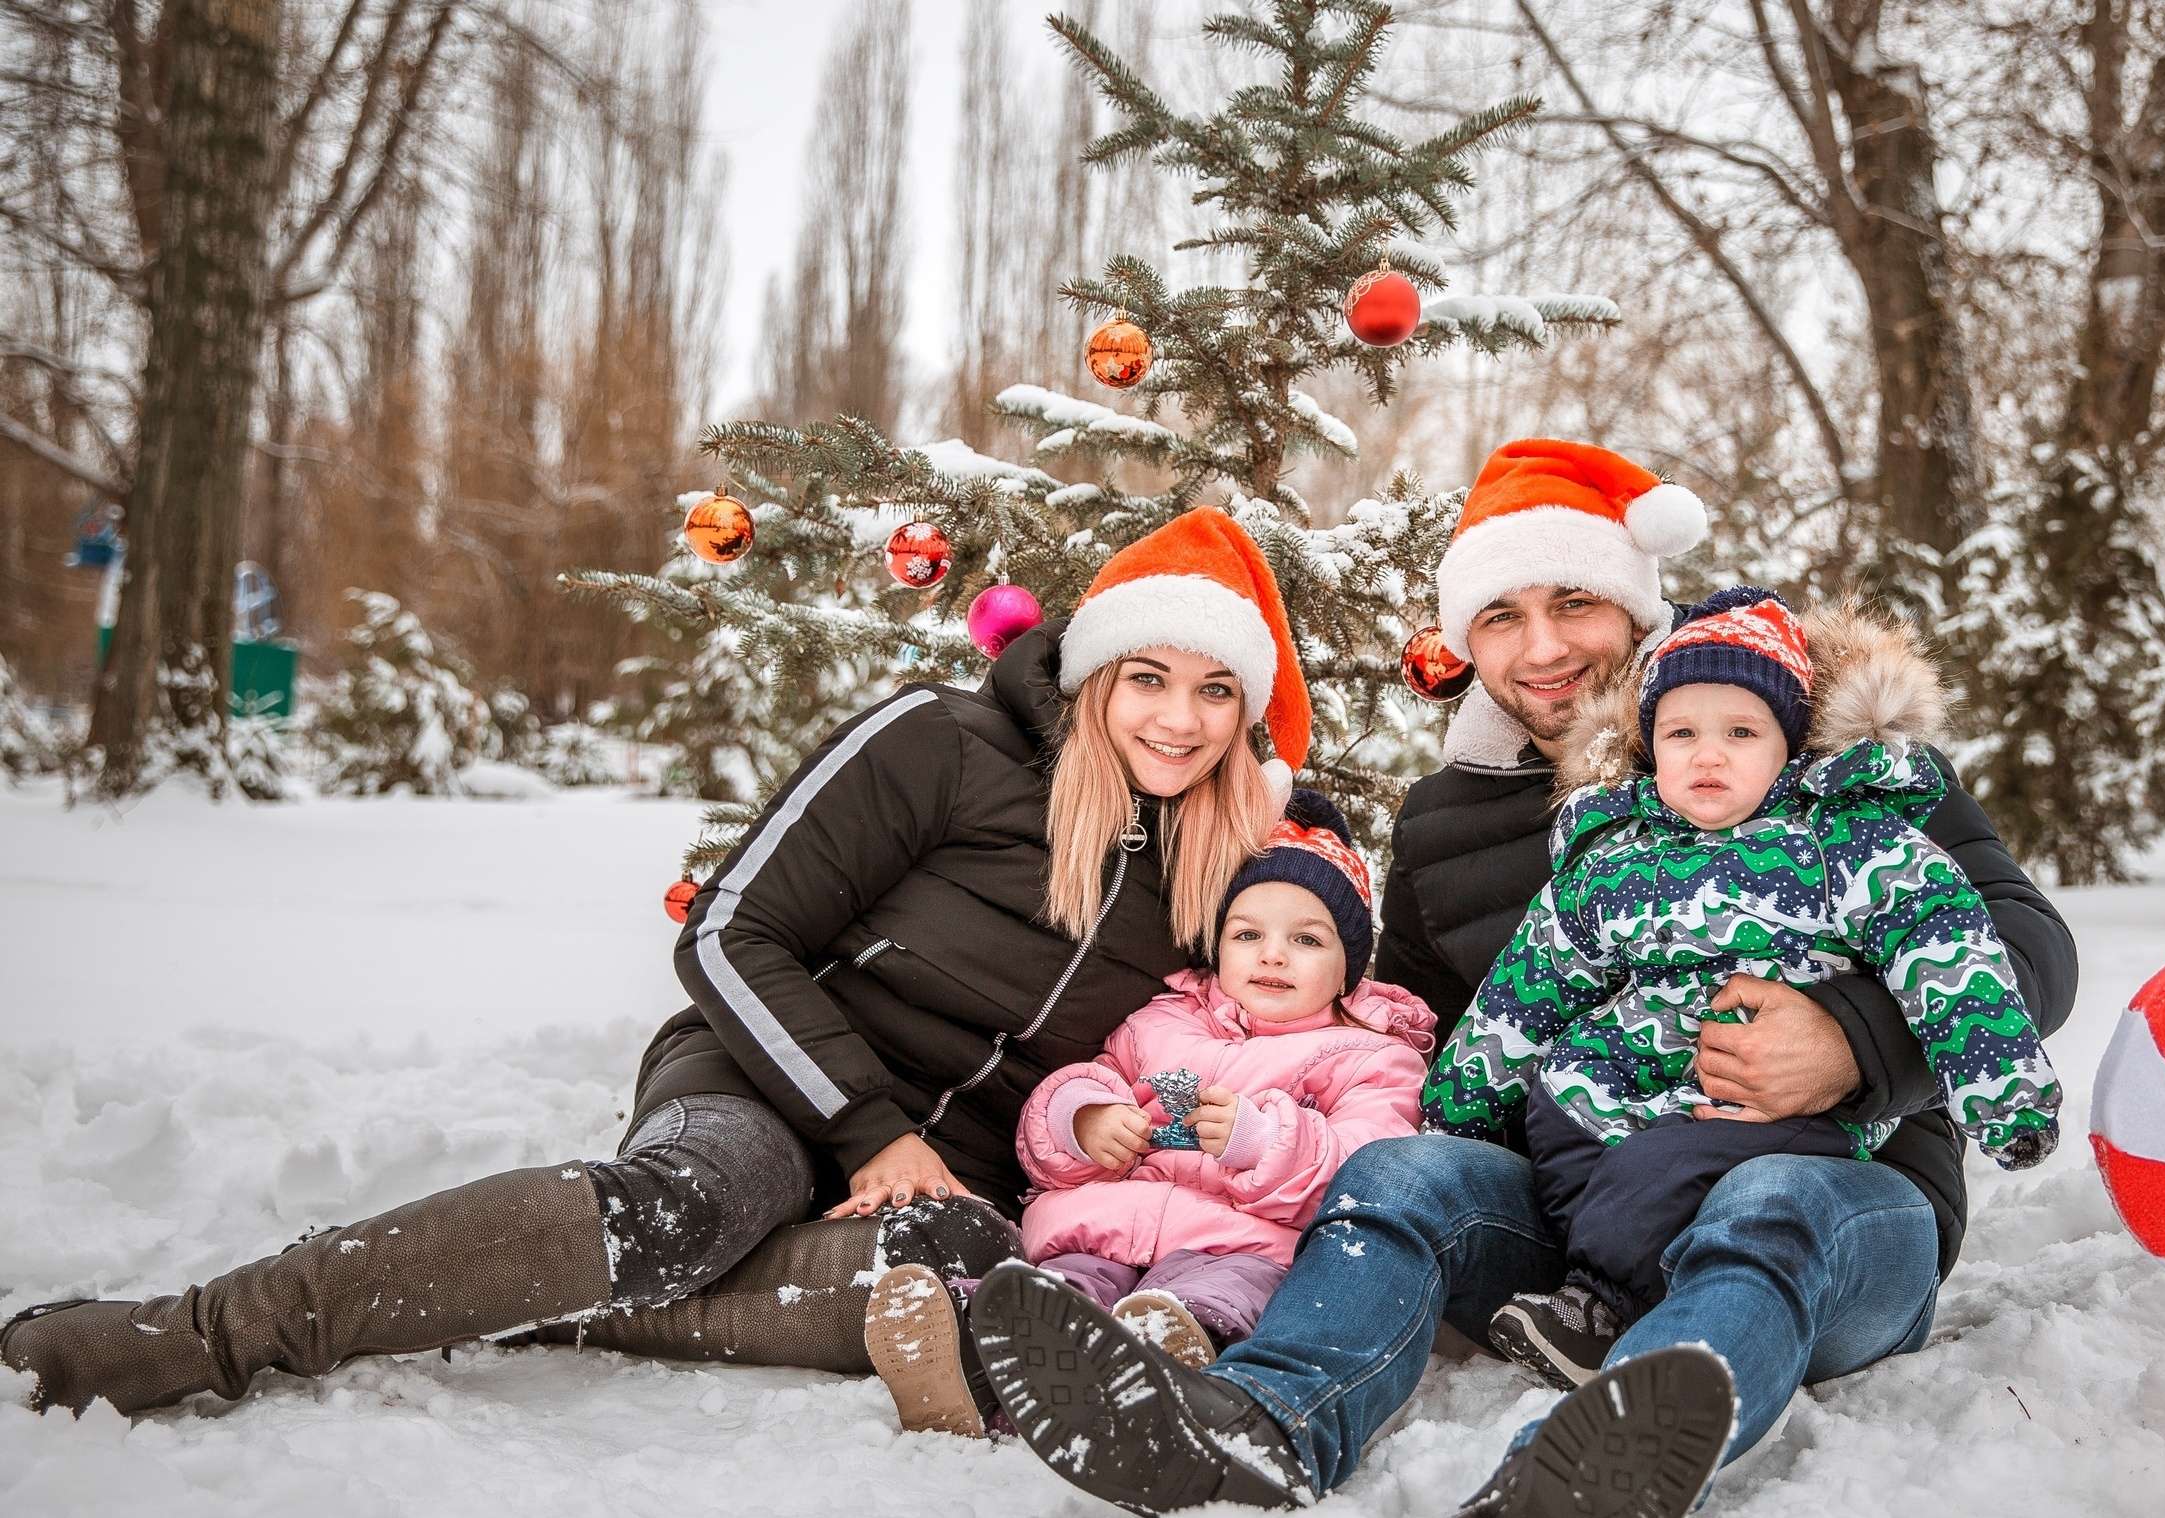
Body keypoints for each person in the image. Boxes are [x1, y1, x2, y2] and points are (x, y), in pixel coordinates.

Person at [964, 440, 2079, 1518]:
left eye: (1575, 602)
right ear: (1466, 640)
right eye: (1501, 616)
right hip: (1588, 1212)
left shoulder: (1828, 752)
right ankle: (1259, 1426)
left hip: (1840, 1195)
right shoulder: (1446, 823)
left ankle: (1594, 1476)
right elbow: (1413, 1043)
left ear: (1637, 606)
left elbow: (2025, 946)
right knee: (1400, 1173)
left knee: (1769, 1204)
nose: (1541, 648)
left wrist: (1854, 1042)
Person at [3, 506, 1313, 1419]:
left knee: (964, 1280)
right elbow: (731, 931)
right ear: (1092, 674)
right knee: (692, 1204)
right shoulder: (942, 743)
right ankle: (213, 1330)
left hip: (956, 1171)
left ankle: (534, 1291)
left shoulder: (1214, 870)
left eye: (1217, 691)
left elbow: (1320, 973)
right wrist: (866, 1128)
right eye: (1149, 677)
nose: (1179, 717)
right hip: (772, 1076)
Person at [1432, 589, 2062, 1388]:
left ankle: (1608, 1308)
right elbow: (1527, 985)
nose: (1708, 755)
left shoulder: (1846, 840)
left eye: (1740, 733)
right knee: (1565, 1113)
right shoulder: (1615, 855)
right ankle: (1641, 1279)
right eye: (1682, 734)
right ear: (1648, 747)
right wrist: (1453, 1110)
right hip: (1635, 1089)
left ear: (1789, 746)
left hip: (1772, 1108)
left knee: (1669, 1173)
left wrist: (2002, 1092)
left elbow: (1952, 954)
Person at [862, 790, 1434, 1434]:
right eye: (1248, 934)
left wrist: (1266, 1141)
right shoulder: (1160, 1021)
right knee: (1062, 1288)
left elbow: (1372, 1170)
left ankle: (1172, 1362)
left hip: (1241, 1244)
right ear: (1217, 945)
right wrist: (1084, 1122)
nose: (1272, 954)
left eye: (1306, 938)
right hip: (1106, 1223)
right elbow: (1088, 1085)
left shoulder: (1371, 1054)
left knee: (1212, 1297)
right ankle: (975, 1352)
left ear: (1349, 965)